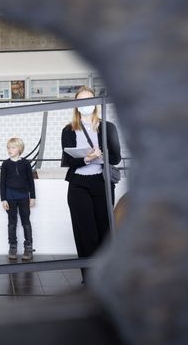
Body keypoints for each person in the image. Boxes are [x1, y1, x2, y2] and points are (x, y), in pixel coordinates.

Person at [60, 86, 121, 282]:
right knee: (85, 233)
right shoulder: (68, 130)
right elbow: (68, 160)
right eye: (81, 101)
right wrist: (86, 158)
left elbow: (116, 158)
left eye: (89, 100)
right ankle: (89, 278)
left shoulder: (108, 127)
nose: (86, 105)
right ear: (76, 106)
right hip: (78, 184)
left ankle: (107, 277)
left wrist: (100, 155)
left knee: (105, 231)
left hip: (101, 183)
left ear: (95, 104)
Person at [0, 137, 36, 260]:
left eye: (13, 147)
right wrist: (3, 199)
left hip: (24, 197)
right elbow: (2, 183)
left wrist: (33, 197)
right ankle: (13, 247)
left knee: (26, 222)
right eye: (8, 147)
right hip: (10, 198)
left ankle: (28, 247)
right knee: (12, 223)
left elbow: (31, 181)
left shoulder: (26, 163)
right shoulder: (5, 164)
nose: (10, 150)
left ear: (19, 149)